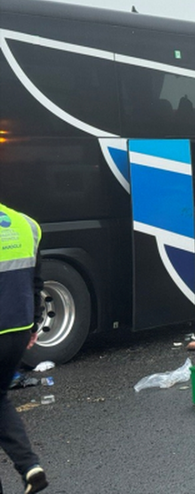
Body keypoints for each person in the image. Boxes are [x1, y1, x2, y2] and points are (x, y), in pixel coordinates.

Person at [0, 202, 49, 494]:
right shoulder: (25, 223)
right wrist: (32, 325)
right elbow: (36, 282)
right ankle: (30, 466)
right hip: (16, 332)